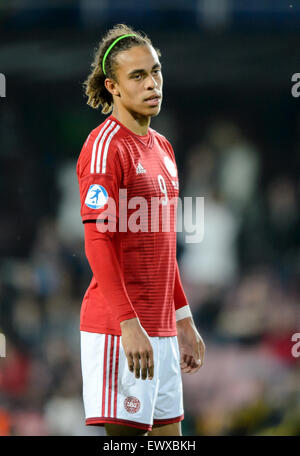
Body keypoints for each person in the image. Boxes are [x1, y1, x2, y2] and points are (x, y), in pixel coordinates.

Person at [76, 23, 205, 437]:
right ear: (112, 86)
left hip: (162, 332)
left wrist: (183, 319)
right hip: (120, 331)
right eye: (138, 76)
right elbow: (97, 240)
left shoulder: (163, 149)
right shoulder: (104, 147)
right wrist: (128, 322)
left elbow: (162, 248)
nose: (152, 84)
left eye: (156, 72)